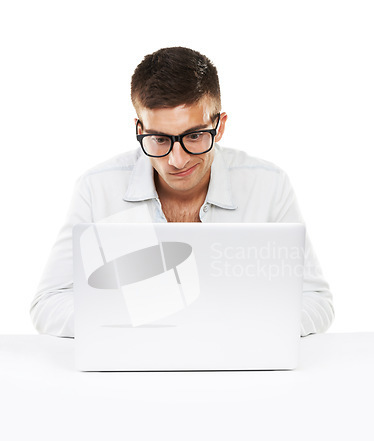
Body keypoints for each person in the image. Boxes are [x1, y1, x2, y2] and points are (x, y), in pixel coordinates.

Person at [30, 46, 334, 338]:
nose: (178, 160)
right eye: (159, 140)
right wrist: (140, 327)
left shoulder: (269, 186)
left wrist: (236, 329)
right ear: (139, 130)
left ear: (221, 126)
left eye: (196, 135)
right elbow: (49, 302)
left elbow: (316, 301)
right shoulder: (97, 188)